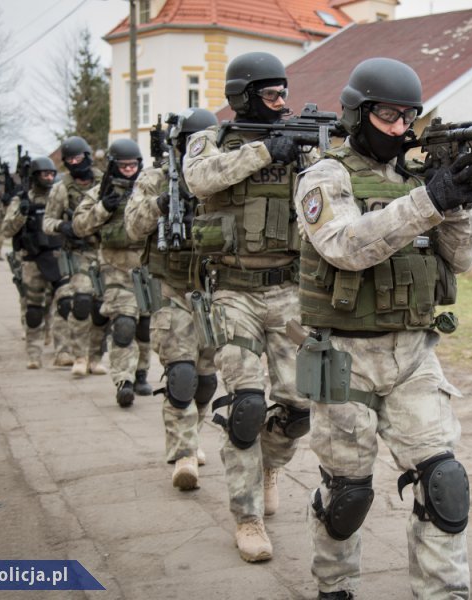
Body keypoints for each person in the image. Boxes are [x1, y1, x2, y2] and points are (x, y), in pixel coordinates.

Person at [292, 57, 472, 599]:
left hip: (413, 355)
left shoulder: (418, 179)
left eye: (409, 117)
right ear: (358, 113)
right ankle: (335, 587)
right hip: (344, 357)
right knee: (346, 495)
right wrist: (430, 201)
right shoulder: (324, 175)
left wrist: (459, 203)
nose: (401, 128)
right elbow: (347, 247)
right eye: (387, 115)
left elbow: (463, 259)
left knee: (445, 483)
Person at [183, 51, 313, 563]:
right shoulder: (209, 140)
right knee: (247, 406)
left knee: (299, 407)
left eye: (284, 92)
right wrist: (264, 151)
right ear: (243, 96)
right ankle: (247, 517)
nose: (282, 103)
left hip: (287, 289)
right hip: (231, 289)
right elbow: (199, 179)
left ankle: (269, 467)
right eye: (271, 94)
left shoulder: (302, 141)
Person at [124, 107, 220, 491]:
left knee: (206, 381)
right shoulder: (155, 178)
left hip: (214, 289)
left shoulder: (219, 174)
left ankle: (193, 433)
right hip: (169, 287)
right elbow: (132, 226)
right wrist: (161, 204)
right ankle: (183, 454)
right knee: (181, 375)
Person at [72, 138, 152, 407]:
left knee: (144, 327)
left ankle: (141, 372)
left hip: (148, 269)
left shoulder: (148, 187)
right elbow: (80, 226)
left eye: (133, 165)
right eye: (124, 165)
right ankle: (123, 380)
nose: (129, 170)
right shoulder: (100, 191)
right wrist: (103, 208)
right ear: (113, 165)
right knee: (124, 325)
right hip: (114, 268)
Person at [43, 136, 107, 371]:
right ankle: (79, 356)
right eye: (70, 159)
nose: (74, 162)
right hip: (79, 251)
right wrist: (63, 227)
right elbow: (47, 221)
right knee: (80, 301)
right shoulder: (61, 188)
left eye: (78, 157)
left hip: (107, 251)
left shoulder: (104, 182)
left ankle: (96, 356)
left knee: (102, 308)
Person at [0, 157, 66, 369]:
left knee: (64, 306)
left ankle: (62, 352)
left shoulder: (58, 196)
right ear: (36, 176)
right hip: (31, 260)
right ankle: (33, 354)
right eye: (45, 174)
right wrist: (22, 213)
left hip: (56, 257)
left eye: (51, 174)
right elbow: (7, 230)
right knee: (34, 310)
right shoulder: (21, 199)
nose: (49, 178)